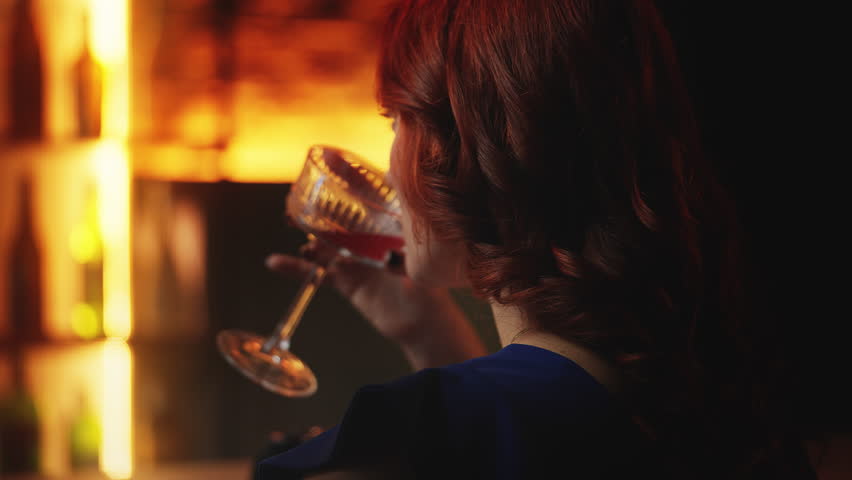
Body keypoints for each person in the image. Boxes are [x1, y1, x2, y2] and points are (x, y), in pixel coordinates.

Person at [257, 0, 819, 478]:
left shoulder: (419, 429)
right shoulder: (731, 408)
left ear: (461, 148)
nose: (390, 157)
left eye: (395, 119)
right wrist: (428, 332)